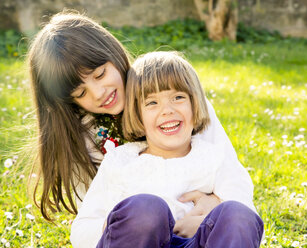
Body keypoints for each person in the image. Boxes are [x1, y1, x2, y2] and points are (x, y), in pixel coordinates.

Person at [27, 11, 257, 237]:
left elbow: (230, 176)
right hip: (137, 234)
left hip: (197, 233)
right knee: (145, 210)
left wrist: (216, 203)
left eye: (100, 74)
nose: (98, 93)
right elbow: (93, 223)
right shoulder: (82, 140)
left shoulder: (182, 103)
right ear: (69, 101)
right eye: (81, 92)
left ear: (113, 54)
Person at [70, 51, 263, 248]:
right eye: (152, 102)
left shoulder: (214, 158)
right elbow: (82, 229)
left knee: (237, 214)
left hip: (197, 242)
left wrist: (204, 221)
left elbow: (246, 216)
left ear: (195, 104)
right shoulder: (120, 160)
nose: (167, 110)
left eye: (178, 97)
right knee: (146, 209)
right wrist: (117, 226)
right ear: (137, 114)